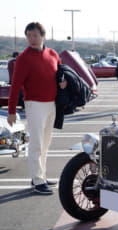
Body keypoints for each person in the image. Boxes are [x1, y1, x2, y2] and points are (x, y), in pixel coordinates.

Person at [7, 22, 66, 194]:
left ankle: (40, 176)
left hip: (51, 104)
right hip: (34, 105)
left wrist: (64, 82)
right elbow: (15, 86)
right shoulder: (23, 58)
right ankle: (38, 180)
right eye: (29, 36)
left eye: (35, 35)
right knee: (36, 143)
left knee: (46, 143)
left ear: (43, 36)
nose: (31, 39)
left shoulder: (52, 54)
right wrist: (11, 111)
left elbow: (60, 74)